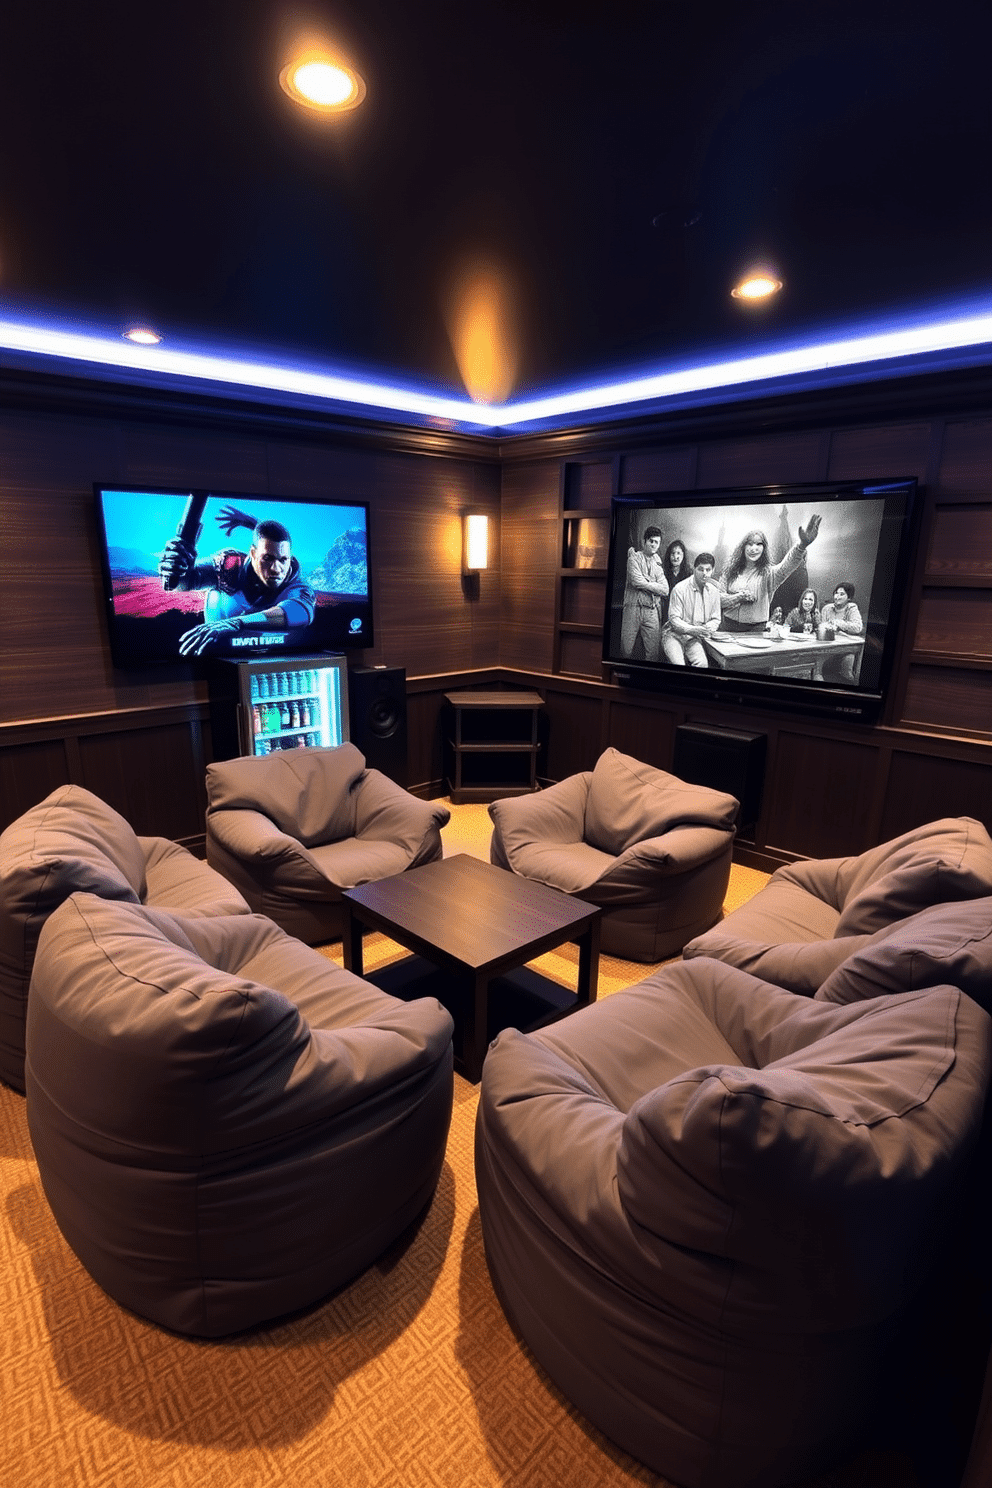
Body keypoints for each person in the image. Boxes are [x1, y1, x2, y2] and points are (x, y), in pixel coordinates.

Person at [158, 504, 317, 656]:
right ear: (253, 554)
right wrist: (177, 565)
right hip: (213, 659)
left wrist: (236, 623)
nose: (276, 568)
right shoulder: (230, 565)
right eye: (267, 559)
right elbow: (185, 582)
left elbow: (297, 612)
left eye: (283, 560)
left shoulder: (297, 586)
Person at [717, 514, 822, 631]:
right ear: (743, 547)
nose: (753, 549)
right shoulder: (729, 572)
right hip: (727, 626)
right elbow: (718, 600)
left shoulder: (769, 574)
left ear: (764, 548)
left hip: (755, 630)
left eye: (758, 544)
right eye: (750, 544)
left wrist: (802, 545)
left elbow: (787, 565)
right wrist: (739, 597)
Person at [663, 552, 721, 667]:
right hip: (673, 635)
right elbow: (674, 619)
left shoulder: (714, 591)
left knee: (703, 664)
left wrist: (706, 629)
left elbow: (716, 618)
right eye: (701, 569)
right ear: (694, 569)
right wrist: (693, 629)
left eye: (708, 570)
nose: (704, 573)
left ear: (712, 570)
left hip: (693, 639)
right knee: (679, 665)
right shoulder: (679, 588)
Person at [620, 526, 668, 661]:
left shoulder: (658, 564)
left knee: (653, 653)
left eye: (656, 542)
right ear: (644, 541)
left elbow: (665, 589)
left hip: (651, 611)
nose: (653, 545)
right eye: (651, 541)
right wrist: (654, 584)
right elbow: (636, 582)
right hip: (633, 608)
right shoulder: (633, 559)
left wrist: (646, 580)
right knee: (626, 650)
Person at [820, 581, 864, 681]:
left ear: (849, 598)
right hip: (826, 645)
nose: (837, 597)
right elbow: (822, 626)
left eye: (842, 594)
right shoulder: (826, 608)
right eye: (836, 593)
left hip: (845, 647)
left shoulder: (851, 608)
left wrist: (838, 623)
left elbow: (858, 627)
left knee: (848, 660)